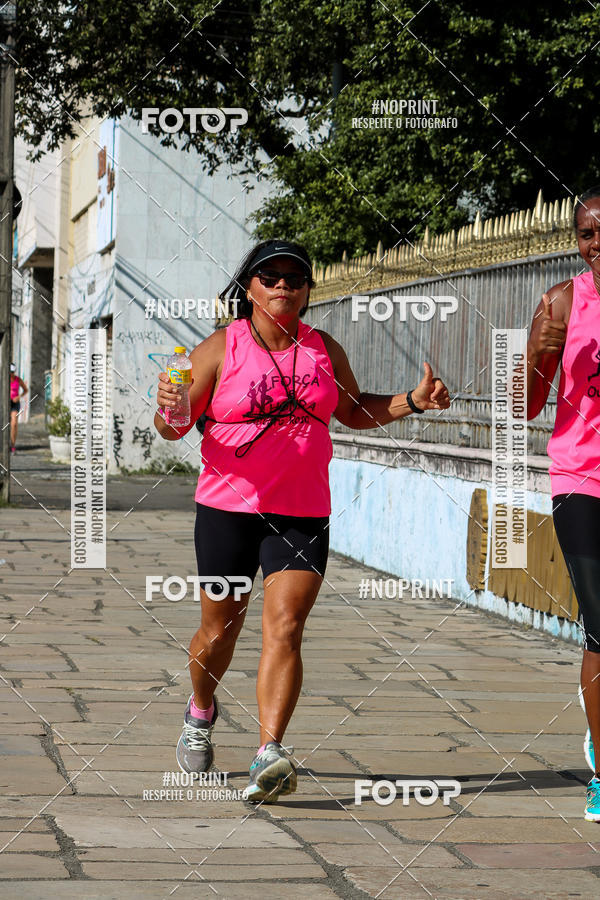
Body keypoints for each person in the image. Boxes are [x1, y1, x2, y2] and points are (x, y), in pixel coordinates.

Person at [153, 238, 451, 803]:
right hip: (228, 510)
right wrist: (169, 404)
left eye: (296, 277)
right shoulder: (220, 348)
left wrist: (412, 399)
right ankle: (201, 708)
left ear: (309, 291)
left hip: (302, 511)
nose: (284, 285)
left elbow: (354, 409)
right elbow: (173, 425)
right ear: (249, 288)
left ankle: (269, 753)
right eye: (271, 276)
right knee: (219, 633)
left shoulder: (323, 350)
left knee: (286, 627)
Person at [527, 185, 600, 822]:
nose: (597, 243)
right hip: (582, 479)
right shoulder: (562, 303)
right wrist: (538, 355)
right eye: (586, 233)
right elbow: (525, 405)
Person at [10, 364, 28, 453]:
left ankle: (12, 445)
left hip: (15, 403)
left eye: (13, 372)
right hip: (5, 403)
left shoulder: (18, 379)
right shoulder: (3, 379)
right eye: (10, 372)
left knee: (14, 424)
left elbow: (26, 390)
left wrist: (19, 396)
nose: (11, 374)